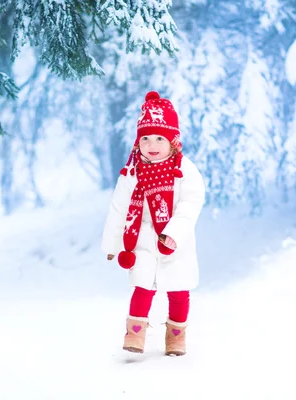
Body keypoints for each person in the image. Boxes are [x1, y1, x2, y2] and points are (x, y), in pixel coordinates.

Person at [101, 91, 205, 356]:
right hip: (142, 239)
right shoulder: (131, 172)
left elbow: (190, 203)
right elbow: (119, 208)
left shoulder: (184, 170)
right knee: (142, 286)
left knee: (179, 290)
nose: (152, 144)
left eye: (160, 138)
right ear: (138, 142)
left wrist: (174, 232)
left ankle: (176, 337)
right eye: (145, 138)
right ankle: (135, 334)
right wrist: (113, 243)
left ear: (173, 141)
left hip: (174, 241)